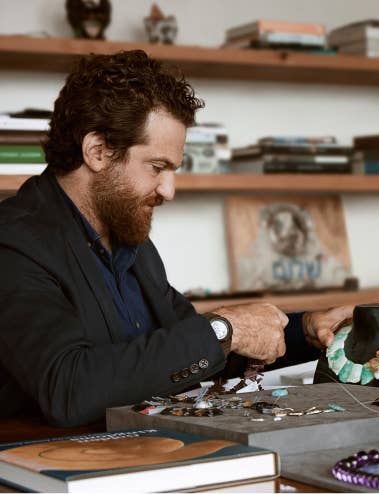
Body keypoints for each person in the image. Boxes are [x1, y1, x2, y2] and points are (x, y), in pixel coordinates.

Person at [0, 50, 352, 428]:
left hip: (139, 456)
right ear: (97, 151)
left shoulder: (128, 240)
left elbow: (187, 349)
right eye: (157, 167)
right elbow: (69, 387)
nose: (168, 190)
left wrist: (307, 330)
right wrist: (224, 330)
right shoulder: (14, 242)